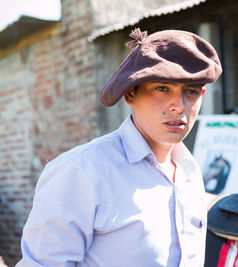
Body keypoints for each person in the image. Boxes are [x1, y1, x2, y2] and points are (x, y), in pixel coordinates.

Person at [17, 28, 222, 266]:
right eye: (162, 88)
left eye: (191, 91)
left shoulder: (189, 171)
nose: (178, 105)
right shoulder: (81, 171)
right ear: (130, 94)